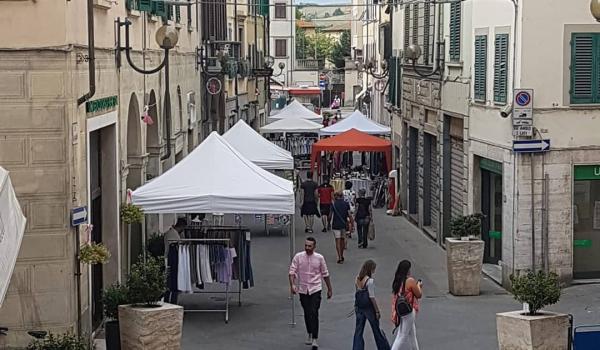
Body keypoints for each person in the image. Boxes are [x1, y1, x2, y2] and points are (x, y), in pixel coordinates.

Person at [289, 237, 333, 350]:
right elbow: (292, 272)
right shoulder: (298, 257)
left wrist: (329, 288)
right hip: (303, 289)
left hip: (315, 288)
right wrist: (293, 285)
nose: (307, 248)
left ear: (314, 247)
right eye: (306, 246)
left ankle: (314, 338)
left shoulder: (319, 258)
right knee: (307, 312)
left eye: (310, 246)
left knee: (314, 312)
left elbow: (325, 274)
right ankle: (309, 332)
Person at [353, 260, 390, 350]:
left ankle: (357, 348)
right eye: (373, 269)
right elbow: (372, 297)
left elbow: (357, 291)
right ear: (370, 269)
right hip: (369, 308)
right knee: (376, 328)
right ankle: (383, 347)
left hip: (359, 306)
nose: (374, 271)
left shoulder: (357, 278)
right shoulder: (370, 281)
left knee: (359, 330)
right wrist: (377, 311)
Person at [390, 260, 422, 350]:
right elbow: (418, 295)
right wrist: (419, 285)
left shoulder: (397, 281)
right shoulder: (410, 281)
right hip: (409, 310)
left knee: (412, 334)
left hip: (400, 310)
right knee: (402, 335)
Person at [331, 191, 350, 264]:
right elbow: (349, 214)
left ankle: (339, 257)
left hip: (335, 225)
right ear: (342, 196)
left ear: (336, 196)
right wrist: (351, 223)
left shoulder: (334, 204)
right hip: (343, 225)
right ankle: (342, 255)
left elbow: (330, 215)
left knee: (337, 241)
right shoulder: (346, 204)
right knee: (342, 240)